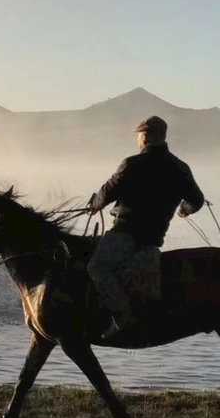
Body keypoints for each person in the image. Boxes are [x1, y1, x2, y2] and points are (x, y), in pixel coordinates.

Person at [86, 116, 205, 339]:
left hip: (125, 233)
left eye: (139, 136)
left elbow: (108, 191)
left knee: (97, 268)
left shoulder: (132, 164)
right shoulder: (180, 168)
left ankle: (122, 317)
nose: (138, 140)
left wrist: (94, 205)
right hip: (153, 240)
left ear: (145, 136)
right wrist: (184, 209)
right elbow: (197, 200)